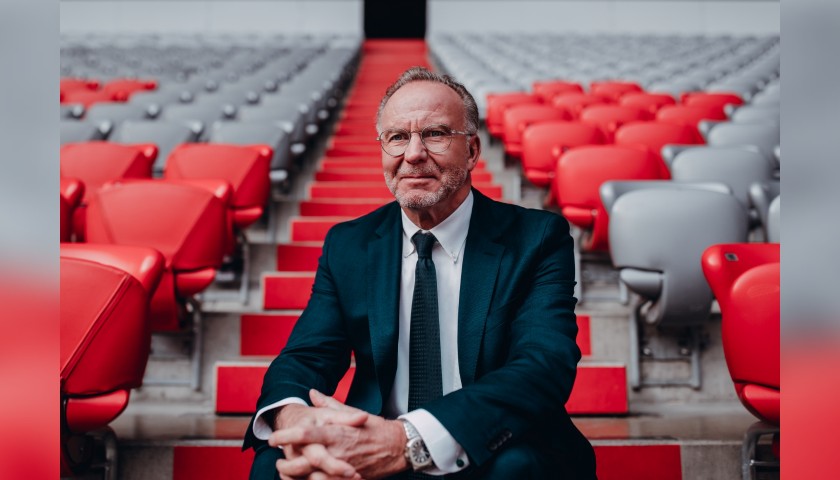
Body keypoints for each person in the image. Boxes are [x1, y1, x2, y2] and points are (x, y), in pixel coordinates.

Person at [243, 66, 596, 480]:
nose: (413, 154)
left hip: (484, 442)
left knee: (518, 468)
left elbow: (542, 366)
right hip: (371, 437)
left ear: (473, 150)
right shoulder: (349, 244)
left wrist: (406, 440)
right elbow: (306, 357)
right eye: (397, 138)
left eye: (435, 134)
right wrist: (294, 421)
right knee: (276, 464)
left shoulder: (536, 238)